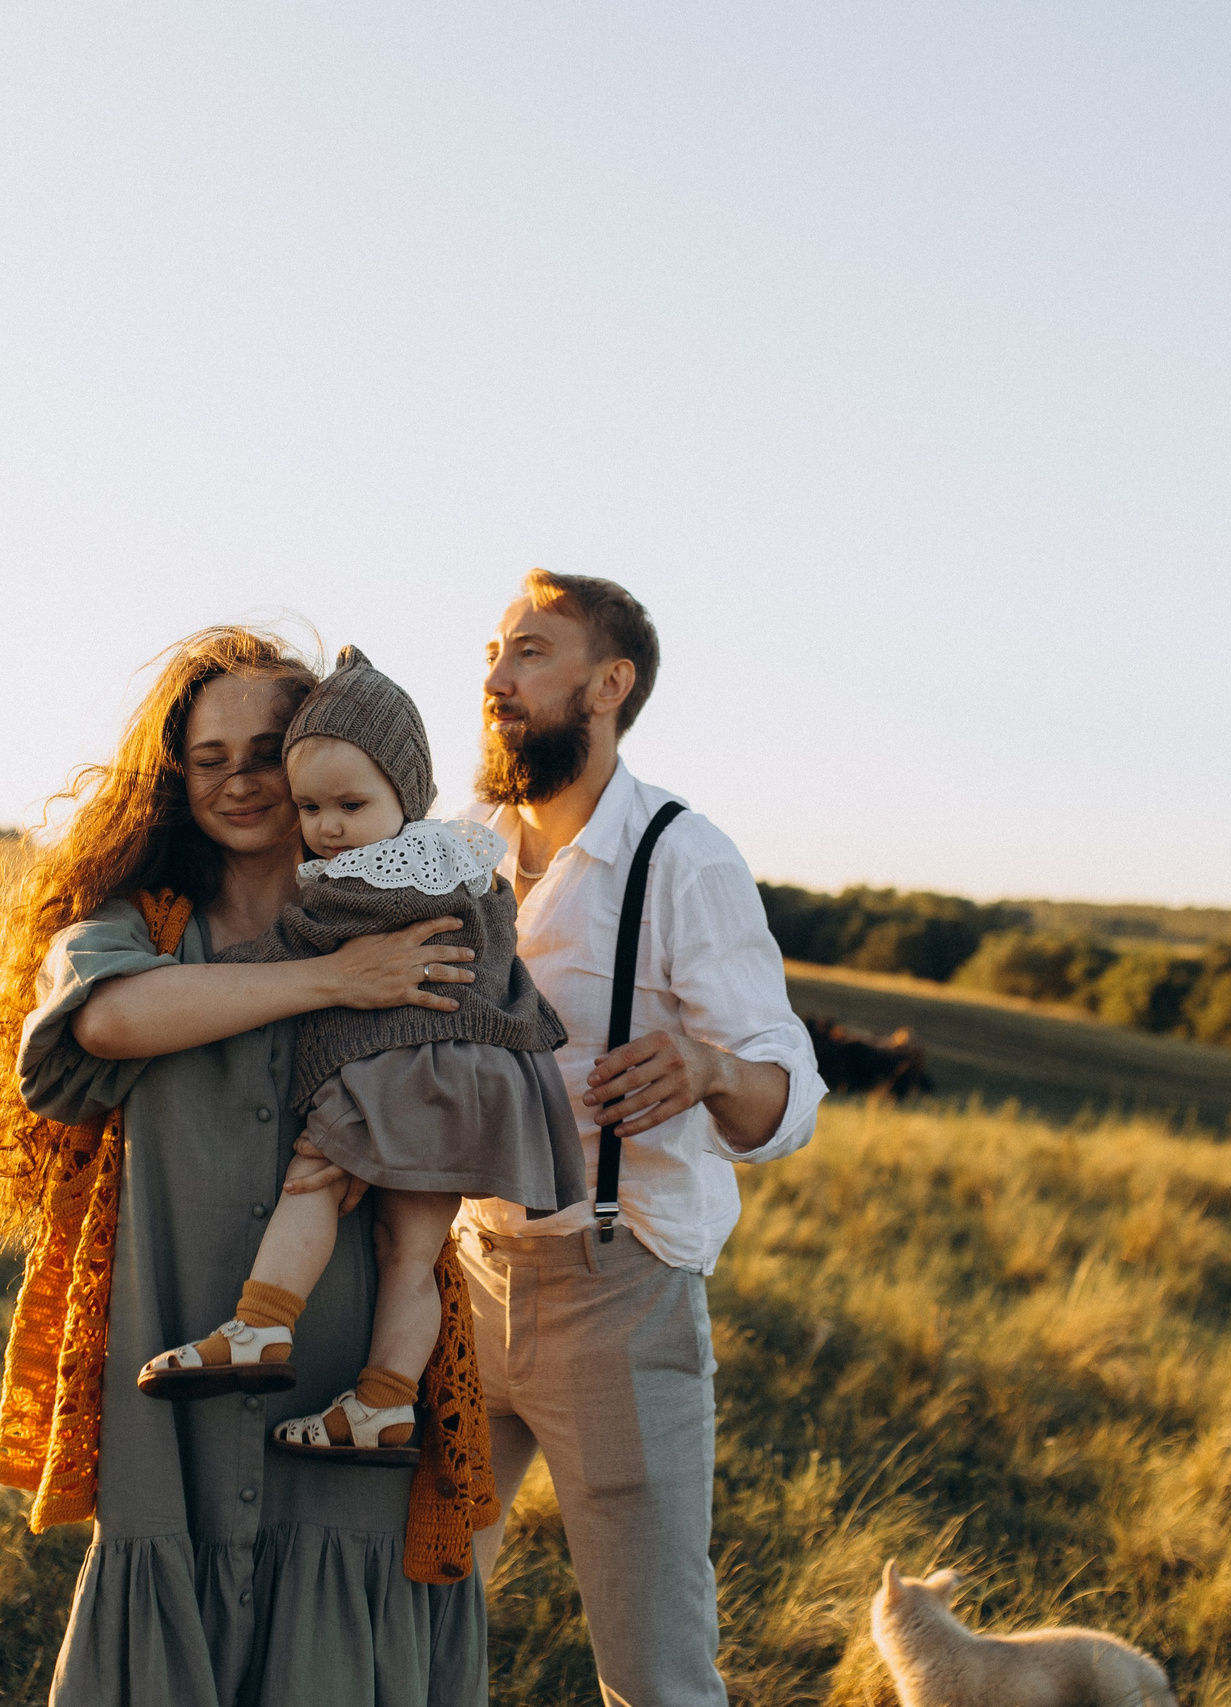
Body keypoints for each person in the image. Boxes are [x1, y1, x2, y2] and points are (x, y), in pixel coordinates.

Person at [0, 626, 491, 1707]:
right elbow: (104, 1023)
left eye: (268, 748)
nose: (240, 780)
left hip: (348, 1372)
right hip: (170, 1367)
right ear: (172, 777)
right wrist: (336, 980)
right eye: (208, 757)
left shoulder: (422, 920)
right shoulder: (135, 924)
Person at [454, 571, 828, 1707]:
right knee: (405, 1616)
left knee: (654, 1668)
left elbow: (786, 1095)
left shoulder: (682, 856)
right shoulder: (453, 843)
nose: (496, 677)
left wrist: (711, 1069)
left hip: (618, 1292)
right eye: (490, 654)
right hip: (455, 1277)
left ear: (608, 684)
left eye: (528, 651)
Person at [136, 647, 583, 1464]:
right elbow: (499, 960)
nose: (330, 826)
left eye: (351, 802)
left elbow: (286, 950)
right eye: (311, 806)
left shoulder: (360, 882)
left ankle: (261, 1325)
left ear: (405, 796)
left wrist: (192, 978)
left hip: (401, 1070)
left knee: (314, 1181)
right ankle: (383, 1400)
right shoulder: (469, 864)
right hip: (481, 1085)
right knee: (411, 1250)